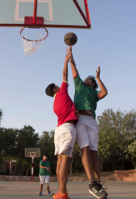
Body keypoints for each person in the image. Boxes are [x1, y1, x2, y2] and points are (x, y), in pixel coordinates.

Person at [67, 46, 108, 199]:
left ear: (92, 83)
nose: (86, 78)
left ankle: (97, 183)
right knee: (84, 149)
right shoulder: (79, 84)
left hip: (91, 120)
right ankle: (91, 182)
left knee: (94, 153)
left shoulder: (94, 92)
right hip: (80, 120)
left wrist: (98, 78)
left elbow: (104, 93)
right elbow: (73, 67)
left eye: (89, 78)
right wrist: (71, 55)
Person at [45, 53, 78, 199]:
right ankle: (63, 194)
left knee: (59, 162)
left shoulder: (54, 105)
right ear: (54, 89)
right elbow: (65, 74)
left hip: (58, 131)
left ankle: (60, 192)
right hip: (67, 129)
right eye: (57, 86)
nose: (60, 85)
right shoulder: (62, 92)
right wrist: (66, 61)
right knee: (66, 161)